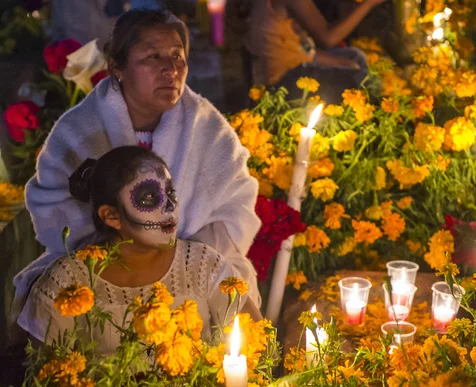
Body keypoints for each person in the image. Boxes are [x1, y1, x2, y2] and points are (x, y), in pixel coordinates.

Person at [13, 9, 261, 327]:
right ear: (117, 67)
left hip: (194, 272)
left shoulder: (209, 128)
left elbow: (235, 210)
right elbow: (55, 211)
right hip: (103, 273)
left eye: (177, 56)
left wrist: (178, 261)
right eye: (152, 57)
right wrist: (128, 257)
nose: (170, 69)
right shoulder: (78, 130)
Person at [18, 147, 259, 356]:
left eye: (171, 193)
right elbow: (45, 382)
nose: (170, 207)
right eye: (149, 197)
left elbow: (258, 344)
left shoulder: (203, 266)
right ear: (111, 216)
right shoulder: (66, 284)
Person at [247, 0, 386, 101]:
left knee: (355, 57)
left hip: (295, 64)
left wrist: (342, 63)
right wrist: (368, 4)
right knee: (365, 80)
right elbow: (327, 39)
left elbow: (304, 48)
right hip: (284, 81)